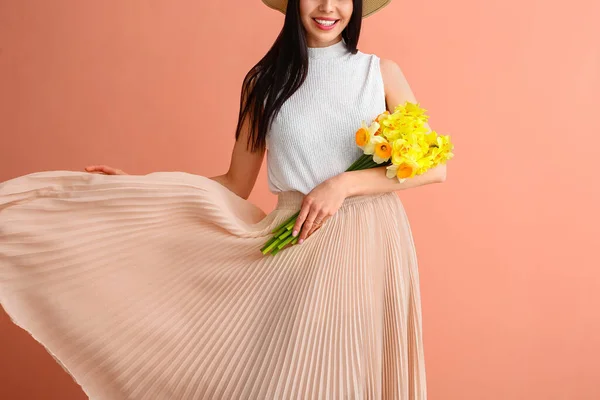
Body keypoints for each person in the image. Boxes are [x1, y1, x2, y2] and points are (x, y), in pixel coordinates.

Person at [0, 0, 445, 398]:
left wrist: (343, 185)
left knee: (358, 374)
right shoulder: (265, 83)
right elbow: (235, 182)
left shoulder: (380, 72)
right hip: (298, 239)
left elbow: (433, 166)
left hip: (372, 244)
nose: (327, 6)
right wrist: (137, 189)